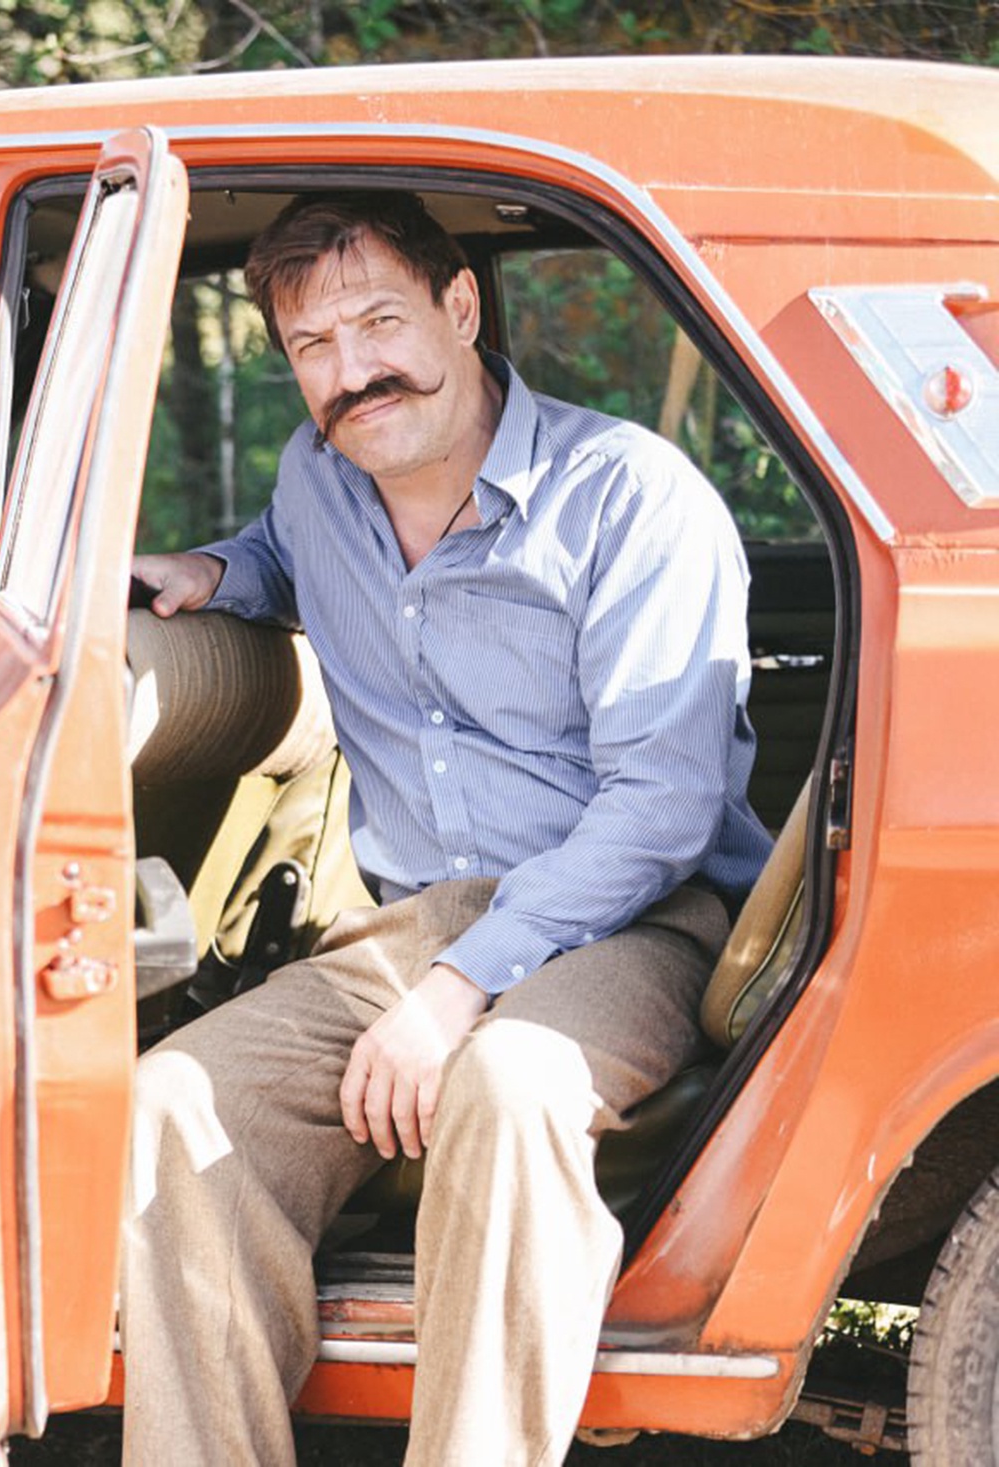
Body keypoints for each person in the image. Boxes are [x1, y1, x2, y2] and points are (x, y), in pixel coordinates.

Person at [123, 192, 772, 1465]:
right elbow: (280, 552)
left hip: (625, 919)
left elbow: (662, 805)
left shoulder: (629, 498)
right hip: (408, 926)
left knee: (509, 1085)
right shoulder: (319, 477)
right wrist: (214, 574)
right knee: (173, 1108)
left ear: (460, 306)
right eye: (312, 346)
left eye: (379, 322)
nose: (351, 371)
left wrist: (458, 988)